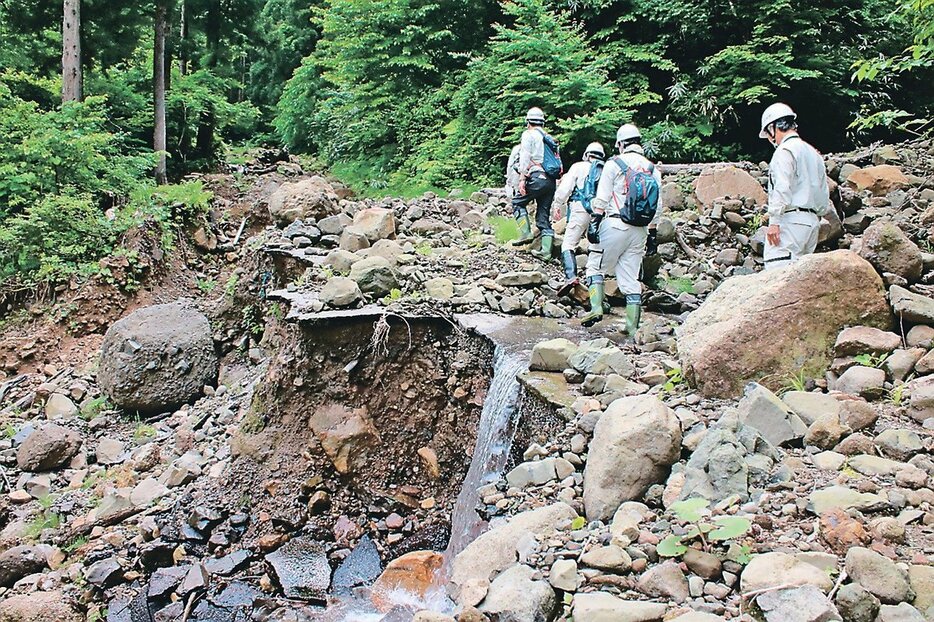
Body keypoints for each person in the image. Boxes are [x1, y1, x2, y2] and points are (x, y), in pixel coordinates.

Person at [581, 123, 661, 335]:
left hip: (615, 224)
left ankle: (596, 308)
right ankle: (632, 327)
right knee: (629, 278)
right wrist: (652, 237)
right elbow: (657, 208)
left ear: (621, 144)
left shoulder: (614, 164)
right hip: (640, 231)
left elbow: (602, 197)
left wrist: (595, 222)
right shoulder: (653, 170)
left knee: (594, 266)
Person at [759, 102, 831, 270]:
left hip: (790, 222)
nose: (771, 139)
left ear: (773, 127)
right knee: (801, 280)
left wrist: (774, 222)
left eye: (769, 134)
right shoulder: (813, 153)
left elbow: (782, 187)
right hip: (812, 223)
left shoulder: (785, 150)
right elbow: (823, 192)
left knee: (776, 272)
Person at [551, 142, 605, 296]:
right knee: (596, 247)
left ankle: (571, 276)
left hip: (579, 209)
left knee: (568, 244)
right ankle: (594, 280)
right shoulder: (607, 169)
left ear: (586, 154)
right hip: (600, 213)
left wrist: (557, 204)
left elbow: (564, 189)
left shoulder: (578, 167)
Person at [512, 107, 562, 257]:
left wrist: (522, 178)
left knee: (517, 202)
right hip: (550, 182)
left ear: (528, 122)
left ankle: (526, 233)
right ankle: (546, 252)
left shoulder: (529, 135)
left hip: (536, 177)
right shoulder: (550, 138)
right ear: (542, 122)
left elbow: (525, 156)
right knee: (543, 216)